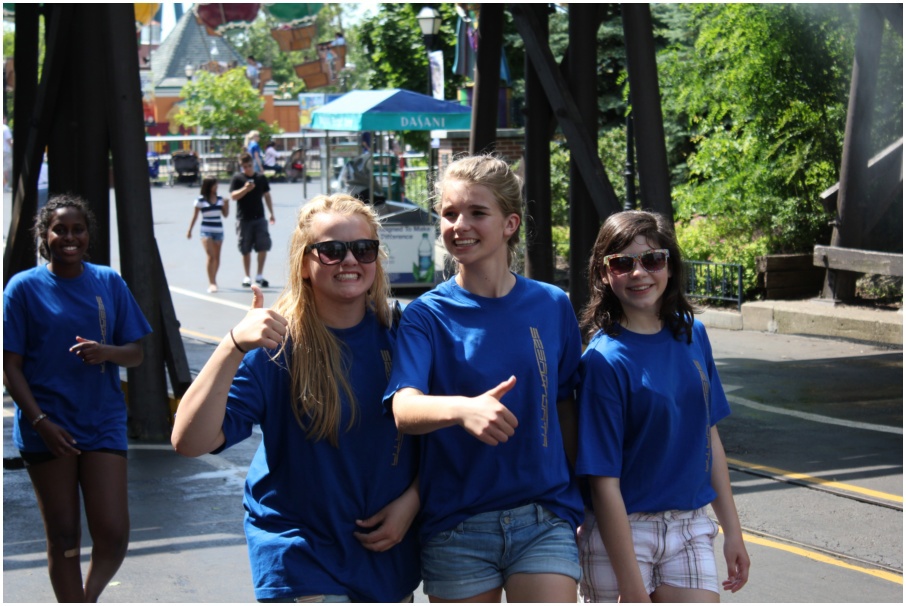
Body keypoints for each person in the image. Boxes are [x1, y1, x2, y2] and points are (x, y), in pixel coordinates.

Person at [171, 194, 421, 602]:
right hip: (299, 556)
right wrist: (232, 345)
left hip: (383, 558)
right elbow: (189, 440)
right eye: (332, 250)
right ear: (304, 263)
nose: (350, 260)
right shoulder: (276, 347)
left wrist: (414, 500)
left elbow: (443, 440)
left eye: (363, 248)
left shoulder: (404, 335)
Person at [384, 154, 584, 602]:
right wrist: (463, 410)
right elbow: (403, 407)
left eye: (477, 212)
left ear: (510, 223)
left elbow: (566, 405)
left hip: (544, 518)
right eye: (449, 214)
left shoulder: (553, 304)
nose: (460, 225)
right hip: (457, 525)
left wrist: (579, 499)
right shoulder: (425, 315)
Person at [574, 210, 750, 603]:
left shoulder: (693, 334)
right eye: (622, 263)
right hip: (622, 532)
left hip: (689, 525)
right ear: (604, 274)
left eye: (653, 259)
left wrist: (733, 532)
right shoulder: (602, 362)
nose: (639, 273)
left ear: (669, 266)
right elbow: (603, 482)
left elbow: (709, 436)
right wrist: (631, 587)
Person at [3, 194, 152, 602]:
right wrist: (40, 423)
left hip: (102, 421)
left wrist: (106, 352)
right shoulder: (22, 288)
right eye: (60, 230)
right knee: (64, 535)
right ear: (44, 236)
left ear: (88, 235)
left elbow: (136, 353)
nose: (69, 237)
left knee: (113, 533)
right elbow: (10, 366)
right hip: (47, 427)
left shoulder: (108, 282)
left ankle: (87, 597)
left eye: (77, 230)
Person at [230, 151, 275, 288]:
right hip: (244, 218)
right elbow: (233, 196)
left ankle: (259, 275)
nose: (247, 169)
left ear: (253, 164)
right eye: (244, 167)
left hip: (259, 217)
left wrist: (271, 213)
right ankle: (247, 276)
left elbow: (267, 195)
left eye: (249, 165)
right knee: (245, 248)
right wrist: (245, 189)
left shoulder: (260, 178)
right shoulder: (238, 179)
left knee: (263, 245)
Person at [187, 177, 229, 293]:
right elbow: (195, 216)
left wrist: (226, 204)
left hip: (218, 230)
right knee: (210, 256)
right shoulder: (200, 200)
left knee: (217, 257)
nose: (216, 187)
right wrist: (190, 230)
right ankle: (211, 282)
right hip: (206, 230)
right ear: (209, 186)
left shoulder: (220, 199)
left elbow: (225, 215)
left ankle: (214, 278)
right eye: (214, 185)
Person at [3, 115, 12, 191]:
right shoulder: (5, 128)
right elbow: (9, 140)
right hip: (5, 151)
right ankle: (6, 185)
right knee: (6, 168)